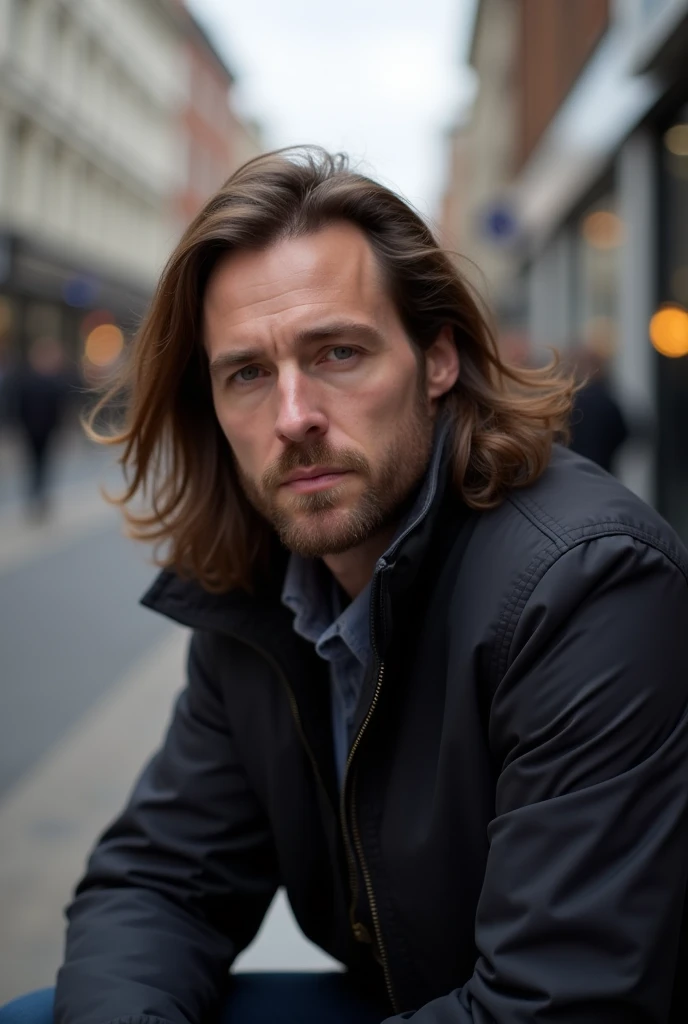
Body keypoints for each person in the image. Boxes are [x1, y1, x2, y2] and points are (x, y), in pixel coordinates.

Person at [8, 147, 688, 1024]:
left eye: (336, 352)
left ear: (437, 360)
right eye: (248, 373)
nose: (293, 417)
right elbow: (159, 880)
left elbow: (563, 1008)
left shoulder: (588, 581)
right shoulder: (263, 585)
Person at [6, 336, 73, 519]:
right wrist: (16, 424)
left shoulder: (56, 380)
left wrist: (60, 428)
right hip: (30, 429)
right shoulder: (26, 378)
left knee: (44, 464)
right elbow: (17, 403)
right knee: (32, 464)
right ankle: (34, 496)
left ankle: (40, 497)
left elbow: (61, 407)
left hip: (48, 430)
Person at [568, 343, 629, 474]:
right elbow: (622, 433)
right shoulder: (606, 400)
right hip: (602, 471)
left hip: (572, 473)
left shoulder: (567, 402)